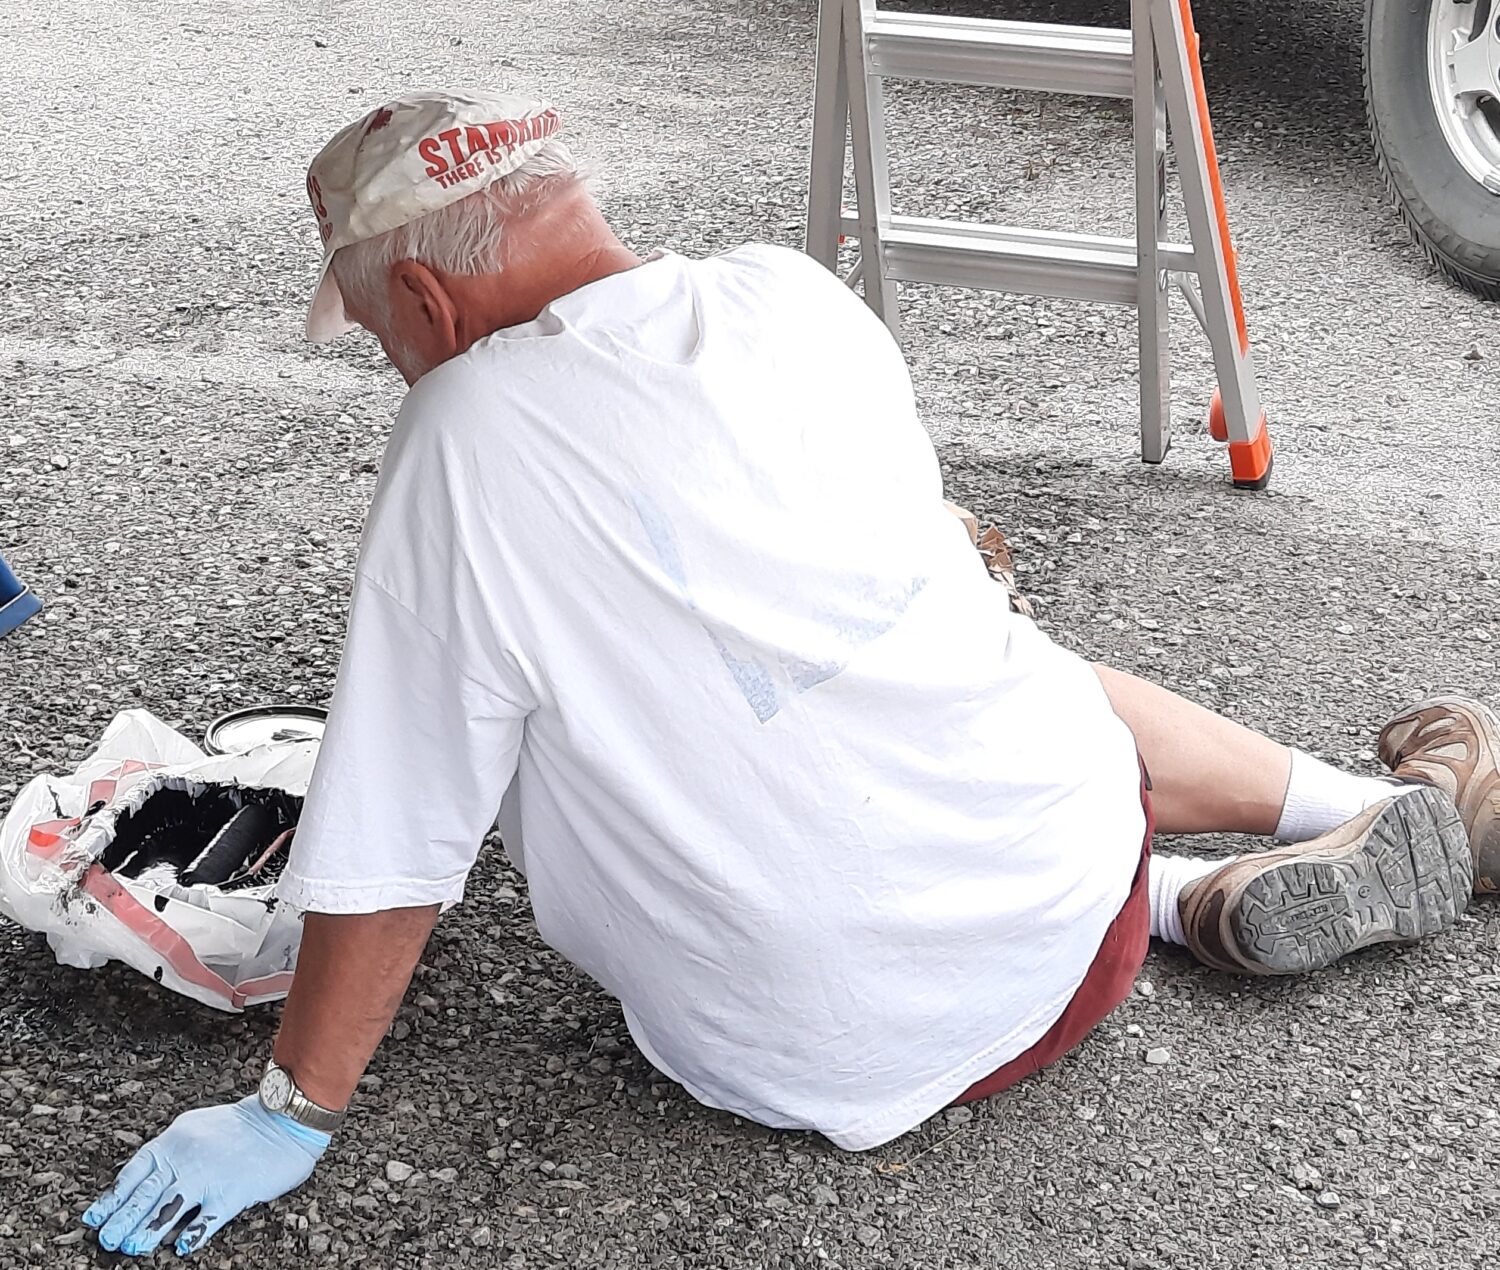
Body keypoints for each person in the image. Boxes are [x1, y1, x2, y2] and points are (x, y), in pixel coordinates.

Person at [82, 90, 1499, 1258]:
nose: (394, 365)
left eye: (383, 333)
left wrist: (291, 1108)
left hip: (830, 1059)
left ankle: (1219, 885)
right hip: (1083, 923)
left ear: (436, 306)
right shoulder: (788, 294)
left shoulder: (464, 431)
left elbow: (395, 844)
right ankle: (1270, 847)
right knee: (990, 661)